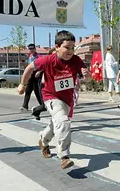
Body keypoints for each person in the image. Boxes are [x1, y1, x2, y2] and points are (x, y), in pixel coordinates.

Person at [17, 30, 91, 169]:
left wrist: (87, 76)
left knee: (55, 124)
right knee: (63, 121)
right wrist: (23, 84)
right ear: (57, 47)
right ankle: (63, 156)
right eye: (66, 47)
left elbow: (87, 78)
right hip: (51, 97)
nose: (70, 51)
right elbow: (29, 68)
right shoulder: (48, 60)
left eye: (72, 48)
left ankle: (43, 140)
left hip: (67, 100)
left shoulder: (76, 60)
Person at [31, 48, 56, 120]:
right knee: (45, 106)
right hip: (44, 86)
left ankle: (57, 121)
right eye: (53, 55)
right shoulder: (47, 62)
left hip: (54, 87)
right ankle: (35, 110)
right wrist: (40, 71)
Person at [20, 43, 42, 111]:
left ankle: (42, 105)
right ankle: (25, 106)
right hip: (30, 75)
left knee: (37, 91)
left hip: (36, 75)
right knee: (28, 91)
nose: (31, 50)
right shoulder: (29, 57)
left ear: (35, 49)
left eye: (32, 49)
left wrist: (39, 71)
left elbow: (43, 65)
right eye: (29, 49)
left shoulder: (38, 56)